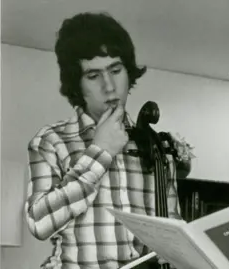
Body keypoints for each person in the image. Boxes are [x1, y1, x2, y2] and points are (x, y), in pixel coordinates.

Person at [24, 12, 188, 269]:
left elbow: (172, 227)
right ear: (76, 84)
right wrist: (100, 152)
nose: (110, 86)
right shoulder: (51, 141)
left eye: (115, 70)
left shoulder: (153, 145)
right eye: (93, 75)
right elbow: (39, 223)